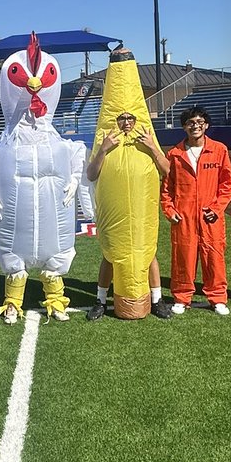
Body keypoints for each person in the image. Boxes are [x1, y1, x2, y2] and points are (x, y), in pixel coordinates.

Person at [0, 33, 88, 322]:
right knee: (12, 252)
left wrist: (74, 178)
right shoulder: (3, 147)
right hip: (14, 211)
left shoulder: (59, 143)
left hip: (52, 209)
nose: (34, 84)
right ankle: (12, 303)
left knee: (57, 248)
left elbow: (79, 161)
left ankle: (56, 299)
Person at [86, 109, 172, 320]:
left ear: (137, 119)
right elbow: (91, 174)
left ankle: (156, 299)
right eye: (122, 118)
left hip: (142, 207)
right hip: (115, 209)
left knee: (148, 252)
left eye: (130, 118)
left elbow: (167, 170)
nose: (126, 122)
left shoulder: (146, 138)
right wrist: (104, 150)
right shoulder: (105, 140)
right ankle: (100, 300)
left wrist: (152, 146)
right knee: (110, 254)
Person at [160, 106, 231, 315]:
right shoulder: (175, 154)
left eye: (199, 122)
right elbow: (166, 188)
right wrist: (169, 210)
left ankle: (218, 298)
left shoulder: (219, 150)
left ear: (206, 125)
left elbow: (228, 185)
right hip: (184, 218)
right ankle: (182, 297)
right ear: (184, 127)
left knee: (214, 257)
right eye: (190, 123)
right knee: (183, 257)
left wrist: (217, 208)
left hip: (210, 217)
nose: (195, 126)